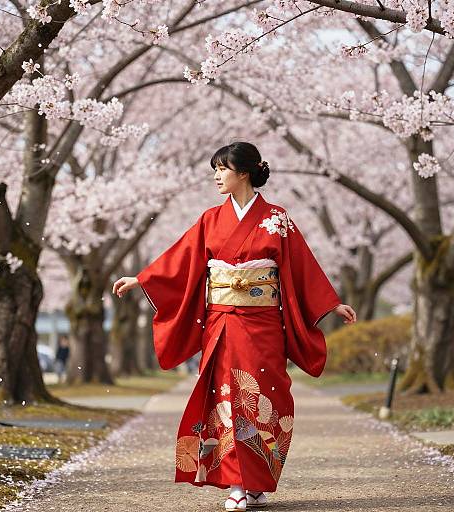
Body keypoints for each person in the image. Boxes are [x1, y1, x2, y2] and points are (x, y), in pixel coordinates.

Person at [112, 141, 357, 511]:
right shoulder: (211, 219)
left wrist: (330, 302)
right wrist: (145, 278)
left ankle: (256, 479)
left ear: (244, 172)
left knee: (266, 397)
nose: (216, 176)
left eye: (222, 169)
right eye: (215, 169)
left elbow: (302, 266)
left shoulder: (277, 218)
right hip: (223, 322)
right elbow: (181, 258)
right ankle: (238, 482)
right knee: (227, 397)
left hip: (264, 325)